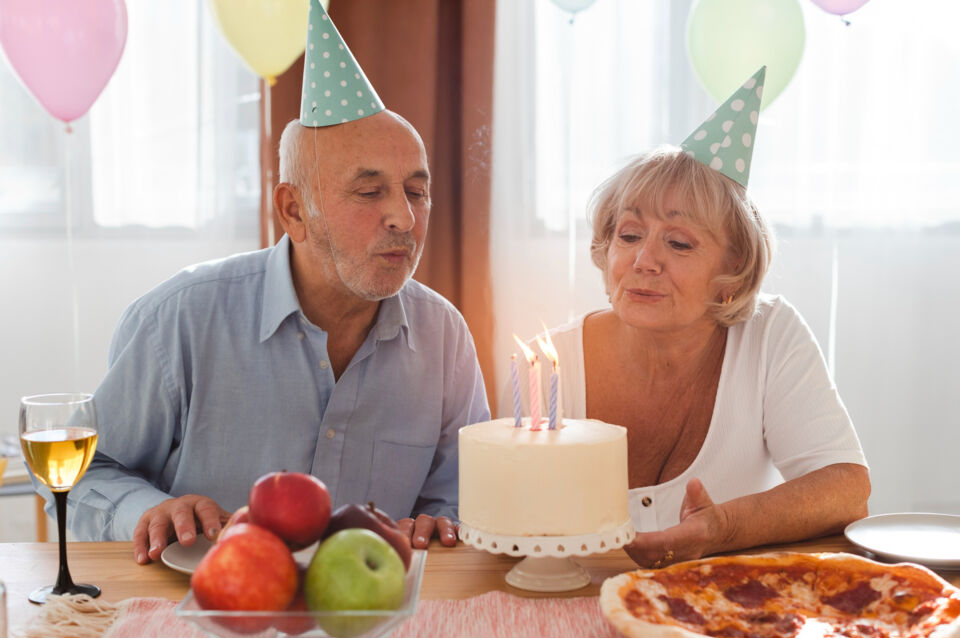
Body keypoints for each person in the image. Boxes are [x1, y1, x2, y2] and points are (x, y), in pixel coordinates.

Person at [61, 0, 490, 565]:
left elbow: (462, 491)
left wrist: (446, 520)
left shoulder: (445, 335)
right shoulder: (181, 320)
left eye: (416, 190)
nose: (404, 219)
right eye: (369, 192)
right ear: (293, 211)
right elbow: (82, 475)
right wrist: (145, 509)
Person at [533, 67, 870, 568]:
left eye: (678, 242)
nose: (644, 260)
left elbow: (846, 490)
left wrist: (723, 528)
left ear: (732, 269)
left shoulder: (770, 335)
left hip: (721, 609)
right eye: (629, 235)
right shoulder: (549, 362)